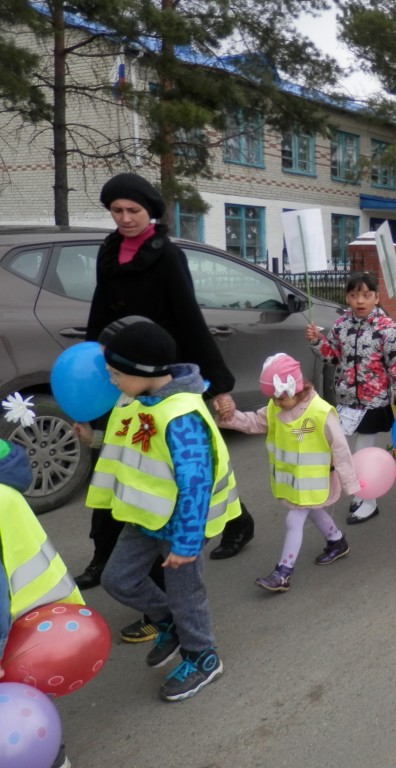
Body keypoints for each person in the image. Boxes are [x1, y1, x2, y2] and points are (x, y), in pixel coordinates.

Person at [78, 173, 254, 607]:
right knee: (120, 461)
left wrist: (217, 384)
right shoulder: (108, 250)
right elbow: (100, 307)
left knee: (179, 465)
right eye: (117, 211)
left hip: (162, 372)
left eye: (133, 210)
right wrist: (92, 356)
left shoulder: (167, 254)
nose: (125, 218)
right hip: (122, 368)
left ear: (151, 212)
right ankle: (105, 553)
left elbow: (189, 316)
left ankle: (236, 521)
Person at [82, 320, 240, 701]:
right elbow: (133, 442)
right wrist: (94, 439)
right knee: (117, 579)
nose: (111, 380)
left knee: (187, 595)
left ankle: (202, 656)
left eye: (116, 373)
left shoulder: (180, 415)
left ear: (144, 371)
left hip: (181, 528)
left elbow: (195, 484)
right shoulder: (141, 399)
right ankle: (168, 621)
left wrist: (186, 544)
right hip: (146, 517)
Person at [217, 354, 361, 592]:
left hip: (314, 480)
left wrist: (350, 483)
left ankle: (283, 572)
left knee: (294, 519)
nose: (276, 402)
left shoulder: (320, 412)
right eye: (272, 398)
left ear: (297, 388)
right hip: (294, 480)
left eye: (281, 397)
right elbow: (255, 422)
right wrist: (230, 418)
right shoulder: (276, 407)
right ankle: (337, 541)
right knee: (314, 511)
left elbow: (340, 448)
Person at [306, 272, 396, 524]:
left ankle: (368, 501)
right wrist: (317, 342)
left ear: (376, 297)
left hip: (373, 402)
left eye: (366, 295)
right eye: (354, 295)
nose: (360, 301)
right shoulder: (341, 325)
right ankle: (359, 493)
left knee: (363, 452)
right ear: (347, 298)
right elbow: (332, 357)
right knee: (341, 449)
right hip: (346, 401)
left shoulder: (387, 329)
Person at [0, 439, 78, 765]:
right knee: (22, 697)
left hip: (13, 622)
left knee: (16, 704)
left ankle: (49, 757)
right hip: (27, 614)